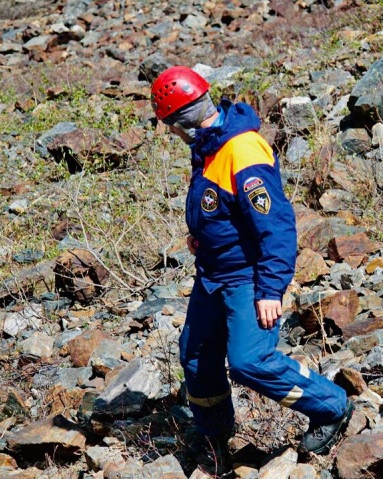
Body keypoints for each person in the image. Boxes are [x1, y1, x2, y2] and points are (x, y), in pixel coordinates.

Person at [150, 65, 353, 459]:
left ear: (185, 120)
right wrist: (203, 236)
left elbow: (275, 226)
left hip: (246, 278)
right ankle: (213, 433)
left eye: (171, 124)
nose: (170, 132)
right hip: (212, 273)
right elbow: (221, 206)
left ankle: (331, 406)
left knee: (248, 361)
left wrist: (269, 289)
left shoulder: (241, 149)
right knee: (195, 355)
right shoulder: (209, 144)